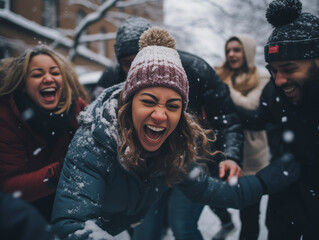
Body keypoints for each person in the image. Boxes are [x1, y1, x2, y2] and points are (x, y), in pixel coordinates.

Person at [51, 27, 299, 240]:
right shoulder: (94, 142)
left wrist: (267, 179)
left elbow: (214, 192)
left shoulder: (176, 145)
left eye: (172, 106)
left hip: (128, 220)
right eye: (148, 101)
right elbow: (74, 225)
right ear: (128, 103)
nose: (160, 115)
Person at [94, 16, 241, 240]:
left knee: (182, 227)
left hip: (192, 159)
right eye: (128, 63)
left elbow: (227, 118)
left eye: (142, 59)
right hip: (144, 167)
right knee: (144, 231)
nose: (136, 69)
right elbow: (96, 125)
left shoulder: (195, 68)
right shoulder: (110, 79)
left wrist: (230, 156)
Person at [234, 0, 319, 238]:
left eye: (289, 68)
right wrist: (223, 103)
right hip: (284, 204)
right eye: (273, 70)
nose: (279, 79)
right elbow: (259, 120)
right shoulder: (275, 91)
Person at [0, 45, 89, 221]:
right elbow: (8, 186)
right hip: (22, 214)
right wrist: (58, 171)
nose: (48, 79)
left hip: (65, 205)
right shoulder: (6, 116)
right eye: (37, 74)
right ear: (23, 85)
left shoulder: (77, 109)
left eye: (55, 73)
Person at [215, 34, 270, 240]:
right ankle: (226, 222)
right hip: (224, 153)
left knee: (249, 214)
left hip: (253, 157)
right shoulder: (221, 75)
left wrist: (223, 86)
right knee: (214, 198)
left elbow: (251, 108)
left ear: (247, 52)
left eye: (237, 50)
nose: (231, 54)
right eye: (228, 50)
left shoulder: (261, 76)